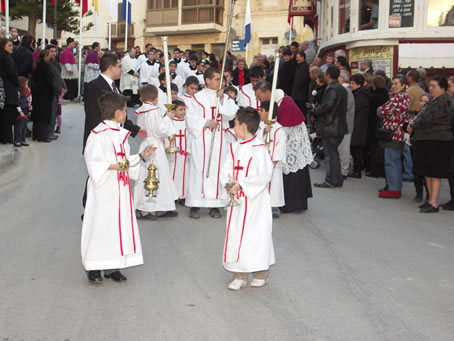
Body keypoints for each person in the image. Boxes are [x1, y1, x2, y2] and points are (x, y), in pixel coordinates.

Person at [82, 92, 157, 283]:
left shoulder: (120, 134)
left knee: (117, 226)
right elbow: (94, 164)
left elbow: (123, 162)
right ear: (117, 113)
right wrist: (118, 166)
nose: (126, 113)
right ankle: (94, 267)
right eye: (124, 110)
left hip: (120, 189)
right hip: (104, 189)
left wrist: (141, 157)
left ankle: (112, 265)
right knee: (100, 226)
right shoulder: (97, 135)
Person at [220, 107, 274, 291]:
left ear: (243, 125)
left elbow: (264, 175)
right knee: (236, 234)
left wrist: (242, 184)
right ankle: (239, 273)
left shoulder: (259, 149)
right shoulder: (234, 147)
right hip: (237, 201)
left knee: (255, 236)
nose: (233, 128)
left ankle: (261, 272)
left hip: (254, 201)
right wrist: (228, 184)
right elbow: (226, 170)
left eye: (235, 124)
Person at [185, 68, 239, 219]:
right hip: (201, 139)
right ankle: (195, 203)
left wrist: (221, 99)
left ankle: (215, 204)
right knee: (198, 168)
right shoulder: (196, 98)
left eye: (221, 79)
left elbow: (231, 114)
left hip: (219, 140)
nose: (220, 82)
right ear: (207, 80)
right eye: (216, 79)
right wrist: (207, 122)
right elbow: (190, 119)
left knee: (217, 168)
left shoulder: (224, 97)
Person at [254, 80, 313, 212]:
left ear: (268, 92)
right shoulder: (273, 101)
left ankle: (292, 204)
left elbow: (282, 129)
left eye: (259, 96)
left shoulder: (286, 103)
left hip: (291, 140)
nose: (258, 99)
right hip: (278, 139)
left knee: (291, 170)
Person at [408, 76, 454, 213]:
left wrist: (413, 124)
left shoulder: (444, 101)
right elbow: (422, 115)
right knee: (427, 171)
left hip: (437, 140)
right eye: (431, 86)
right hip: (427, 140)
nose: (431, 89)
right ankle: (429, 200)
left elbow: (428, 119)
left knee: (434, 172)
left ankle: (433, 202)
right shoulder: (435, 101)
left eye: (434, 86)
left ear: (443, 88)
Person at [83, 53, 145, 153]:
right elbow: (93, 117)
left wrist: (135, 130)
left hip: (115, 140)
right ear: (111, 67)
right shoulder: (94, 86)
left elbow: (120, 114)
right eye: (119, 66)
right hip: (102, 143)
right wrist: (107, 139)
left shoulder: (114, 86)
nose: (121, 70)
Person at [133, 85, 179, 220]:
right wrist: (167, 118)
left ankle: (161, 206)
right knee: (153, 175)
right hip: (154, 145)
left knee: (153, 175)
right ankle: (145, 208)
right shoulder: (153, 111)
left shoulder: (141, 110)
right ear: (156, 98)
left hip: (146, 144)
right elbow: (160, 130)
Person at [312, 66, 348, 188]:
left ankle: (331, 179)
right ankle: (337, 179)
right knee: (334, 153)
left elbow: (328, 106)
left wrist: (315, 110)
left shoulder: (333, 89)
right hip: (338, 125)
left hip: (331, 126)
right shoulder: (341, 89)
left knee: (330, 154)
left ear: (328, 75)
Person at [377, 75, 410, 199]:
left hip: (393, 134)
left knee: (391, 162)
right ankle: (394, 187)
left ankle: (394, 188)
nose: (393, 86)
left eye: (397, 84)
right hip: (397, 133)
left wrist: (381, 110)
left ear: (403, 85)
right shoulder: (403, 97)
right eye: (393, 84)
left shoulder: (400, 97)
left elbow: (383, 110)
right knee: (394, 160)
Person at [257, 102, 287, 218]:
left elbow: (281, 146)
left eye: (262, 110)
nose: (259, 113)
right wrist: (264, 132)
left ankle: (273, 207)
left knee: (274, 184)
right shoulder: (259, 126)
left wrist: (275, 160)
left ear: (269, 113)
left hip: (272, 163)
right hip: (259, 161)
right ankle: (259, 206)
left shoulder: (279, 129)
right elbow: (254, 138)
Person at [365, 75, 389, 178]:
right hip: (383, 125)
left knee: (373, 148)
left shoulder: (373, 96)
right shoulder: (386, 95)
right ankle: (382, 170)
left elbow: (370, 112)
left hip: (374, 125)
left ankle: (374, 170)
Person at [348, 73, 371, 178]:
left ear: (359, 85)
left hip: (359, 124)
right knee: (355, 148)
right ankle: (357, 169)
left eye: (352, 83)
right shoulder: (359, 93)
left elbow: (355, 109)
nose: (350, 85)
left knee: (356, 148)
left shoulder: (361, 95)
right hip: (357, 123)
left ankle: (357, 170)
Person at [167, 100, 190, 201]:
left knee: (185, 174)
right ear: (174, 111)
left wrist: (188, 149)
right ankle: (173, 195)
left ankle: (183, 195)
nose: (183, 112)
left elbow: (190, 136)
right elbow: (167, 136)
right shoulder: (170, 122)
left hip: (185, 154)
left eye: (184, 109)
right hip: (174, 155)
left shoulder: (187, 123)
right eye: (180, 110)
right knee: (173, 173)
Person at [411, 93, 431, 203]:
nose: (423, 103)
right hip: (416, 143)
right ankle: (419, 193)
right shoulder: (417, 114)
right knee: (416, 170)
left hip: (426, 144)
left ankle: (429, 194)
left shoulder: (430, 115)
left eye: (425, 101)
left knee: (427, 171)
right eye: (421, 101)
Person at [31, 49, 54, 142]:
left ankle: (36, 135)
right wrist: (52, 93)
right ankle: (43, 136)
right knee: (44, 116)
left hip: (37, 92)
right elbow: (49, 81)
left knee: (37, 115)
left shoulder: (36, 65)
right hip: (44, 93)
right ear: (46, 56)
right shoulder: (45, 66)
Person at [0, 38, 20, 144]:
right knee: (7, 116)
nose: (12, 47)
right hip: (8, 90)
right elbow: (11, 73)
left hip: (4, 90)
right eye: (9, 45)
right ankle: (6, 138)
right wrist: (17, 83)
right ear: (3, 46)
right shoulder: (7, 58)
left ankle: (5, 137)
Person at [337, 71, 355, 179]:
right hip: (343, 124)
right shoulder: (345, 90)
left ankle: (344, 170)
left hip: (345, 124)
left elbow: (346, 107)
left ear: (342, 79)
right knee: (342, 148)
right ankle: (343, 168)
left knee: (344, 149)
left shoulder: (346, 91)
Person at [47, 44, 63, 140]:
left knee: (54, 112)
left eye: (54, 51)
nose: (53, 53)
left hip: (56, 91)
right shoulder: (48, 63)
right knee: (51, 113)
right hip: (52, 91)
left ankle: (51, 131)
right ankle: (49, 132)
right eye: (51, 51)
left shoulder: (55, 62)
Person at [291, 50, 310, 115]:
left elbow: (302, 80)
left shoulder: (305, 67)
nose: (296, 59)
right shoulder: (297, 66)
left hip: (301, 96)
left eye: (298, 57)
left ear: (303, 57)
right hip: (296, 94)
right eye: (296, 57)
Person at [14, 77, 31, 147]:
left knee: (24, 127)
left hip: (26, 111)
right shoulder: (18, 92)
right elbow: (17, 104)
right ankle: (17, 140)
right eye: (26, 84)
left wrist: (30, 106)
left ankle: (23, 140)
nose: (27, 85)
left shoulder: (27, 91)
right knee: (19, 127)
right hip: (20, 112)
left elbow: (29, 99)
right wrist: (20, 112)